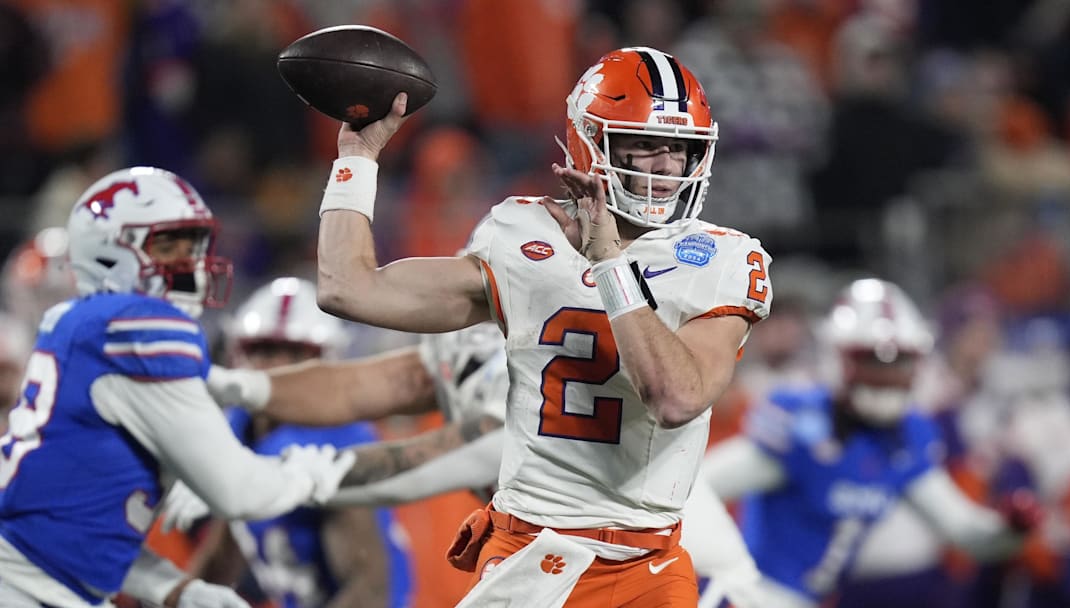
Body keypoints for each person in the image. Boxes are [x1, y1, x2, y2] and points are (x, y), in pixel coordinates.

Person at [311, 46, 773, 606]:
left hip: (642, 562)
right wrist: (357, 157)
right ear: (589, 142)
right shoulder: (520, 234)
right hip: (525, 552)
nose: (665, 166)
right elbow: (347, 287)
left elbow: (675, 397)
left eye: (679, 148)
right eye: (642, 145)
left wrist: (610, 265)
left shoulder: (722, 258)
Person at [168, 322, 767, 608]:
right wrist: (239, 393)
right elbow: (360, 387)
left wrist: (257, 476)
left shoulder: (519, 411)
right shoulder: (550, 377)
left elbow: (404, 465)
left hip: (680, 587)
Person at [0, 167, 356, 608]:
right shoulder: (135, 330)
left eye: (195, 247)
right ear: (108, 253)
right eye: (168, 247)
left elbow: (68, 529)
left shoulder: (78, 328)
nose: (191, 266)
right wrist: (311, 473)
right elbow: (238, 491)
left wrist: (172, 586)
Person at [698, 278, 1039, 608]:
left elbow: (965, 531)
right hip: (755, 594)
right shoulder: (802, 425)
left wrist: (1012, 529)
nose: (887, 374)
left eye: (899, 361)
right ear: (838, 358)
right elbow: (697, 488)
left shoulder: (904, 439)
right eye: (872, 359)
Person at [180, 277, 414, 608]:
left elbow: (369, 591)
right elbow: (223, 552)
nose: (276, 367)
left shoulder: (334, 444)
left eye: (295, 354)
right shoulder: (238, 428)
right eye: (263, 349)